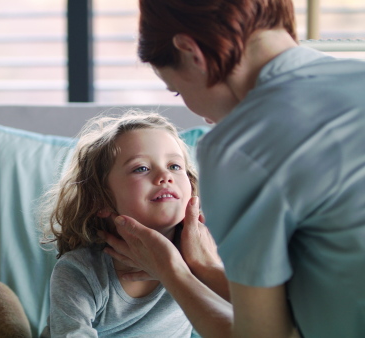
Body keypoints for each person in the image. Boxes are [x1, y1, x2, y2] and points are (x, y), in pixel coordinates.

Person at [102, 0, 365, 337]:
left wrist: (170, 270)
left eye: (178, 90)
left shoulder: (239, 144)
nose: (202, 116)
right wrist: (203, 268)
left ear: (191, 52)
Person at [39, 110, 208, 337]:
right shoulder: (81, 271)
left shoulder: (201, 256)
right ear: (100, 200)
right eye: (141, 168)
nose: (165, 176)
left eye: (175, 166)